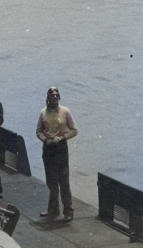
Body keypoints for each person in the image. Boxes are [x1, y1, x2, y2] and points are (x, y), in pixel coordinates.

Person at [36, 86, 78, 222]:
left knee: (64, 180)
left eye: (55, 96)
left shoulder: (65, 112)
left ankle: (68, 210)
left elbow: (74, 130)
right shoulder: (43, 113)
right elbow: (38, 131)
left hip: (60, 148)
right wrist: (45, 139)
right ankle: (53, 209)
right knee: (51, 181)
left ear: (58, 98)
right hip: (48, 148)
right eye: (51, 97)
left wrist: (62, 138)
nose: (53, 99)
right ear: (47, 98)